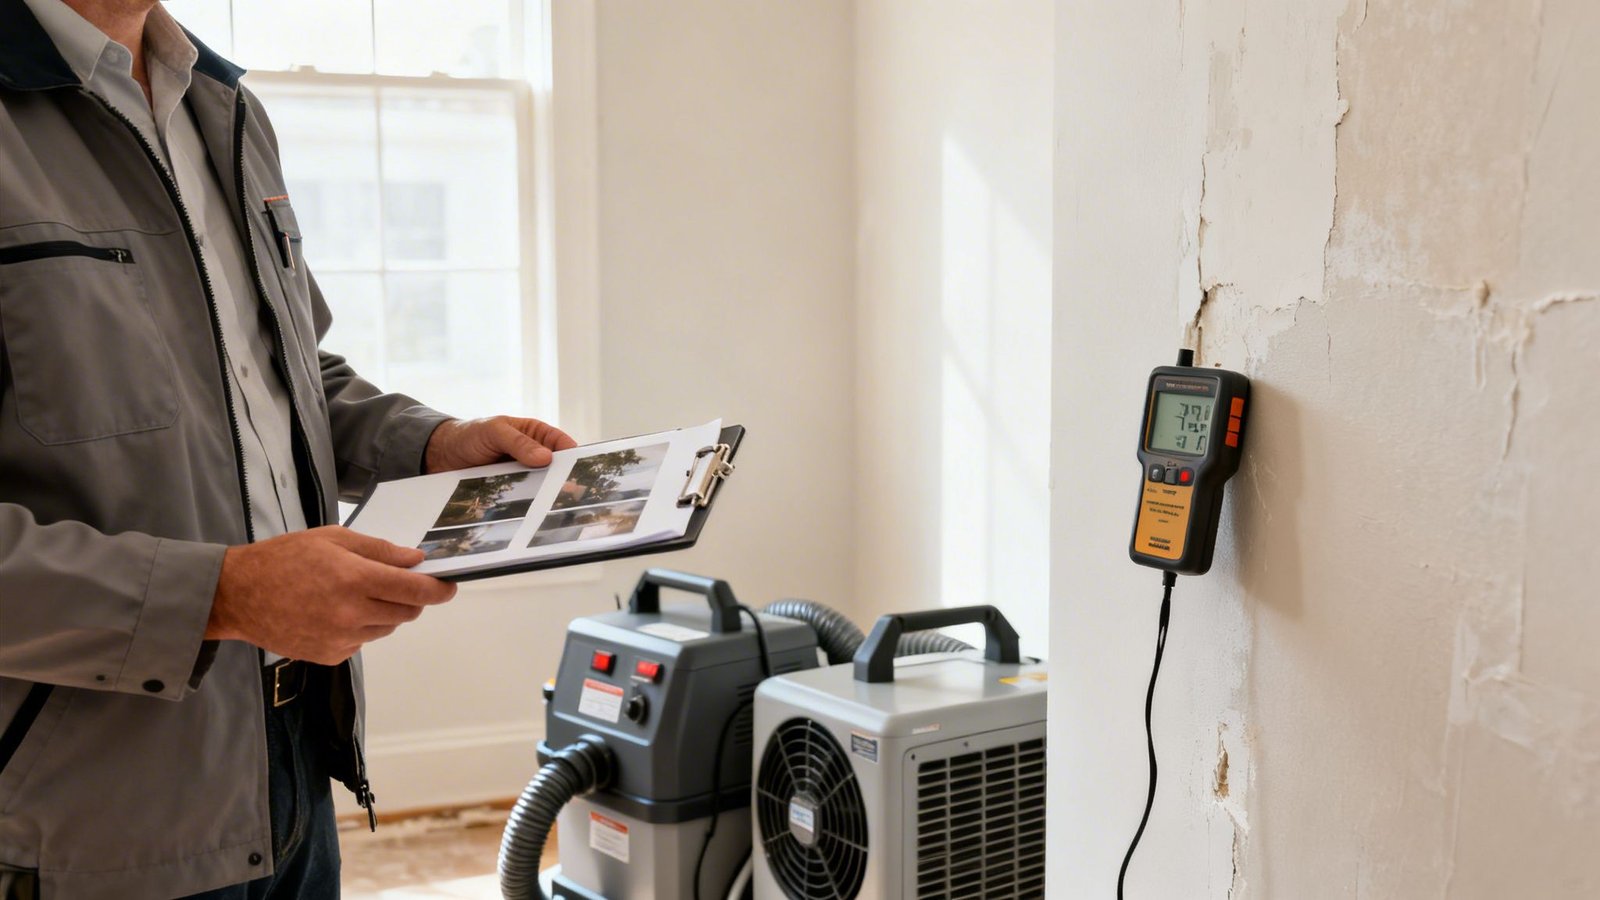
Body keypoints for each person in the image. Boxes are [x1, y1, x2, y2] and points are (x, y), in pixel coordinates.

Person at [0, 0, 576, 896]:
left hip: (292, 770)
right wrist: (220, 597)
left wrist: (433, 444)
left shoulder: (222, 107)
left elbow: (279, 370)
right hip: (82, 827)